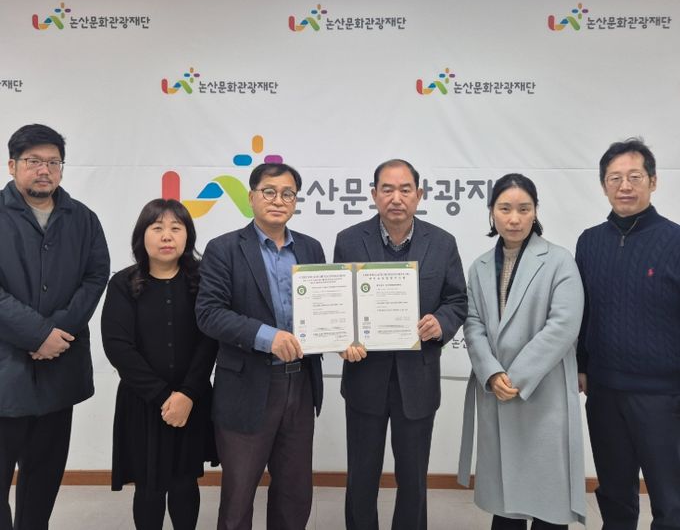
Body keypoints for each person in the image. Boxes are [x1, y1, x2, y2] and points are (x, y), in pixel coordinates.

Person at [333, 159, 467, 530]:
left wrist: (440, 322)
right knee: (362, 476)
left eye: (405, 189)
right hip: (364, 377)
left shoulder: (442, 242)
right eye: (387, 189)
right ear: (373, 194)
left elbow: (457, 300)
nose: (396, 198)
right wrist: (343, 338)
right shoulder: (349, 240)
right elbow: (339, 304)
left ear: (418, 195)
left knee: (413, 479)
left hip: (417, 379)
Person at [195, 162, 325, 530]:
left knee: (295, 493)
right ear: (251, 197)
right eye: (269, 191)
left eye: (288, 194)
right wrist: (268, 337)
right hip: (247, 386)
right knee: (238, 497)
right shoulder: (224, 249)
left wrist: (343, 336)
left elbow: (324, 309)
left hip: (300, 384)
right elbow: (209, 314)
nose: (278, 200)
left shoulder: (311, 248)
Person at [457, 173, 586, 529]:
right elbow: (473, 324)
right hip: (497, 389)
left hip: (543, 391)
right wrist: (491, 372)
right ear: (491, 212)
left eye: (523, 209)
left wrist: (516, 376)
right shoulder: (480, 266)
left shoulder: (559, 260)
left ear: (535, 212)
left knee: (548, 497)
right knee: (506, 502)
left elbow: (563, 325)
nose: (514, 218)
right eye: (505, 208)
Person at [0, 123, 110, 529]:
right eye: (33, 161)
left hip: (58, 371)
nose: (44, 170)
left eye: (53, 162)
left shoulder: (82, 218)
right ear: (12, 165)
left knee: (43, 480)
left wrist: (56, 332)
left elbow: (95, 276)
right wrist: (36, 334)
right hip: (5, 371)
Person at [576, 138, 680, 529]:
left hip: (663, 396)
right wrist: (581, 365)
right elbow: (582, 311)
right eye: (615, 178)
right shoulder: (589, 242)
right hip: (604, 391)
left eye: (635, 177)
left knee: (671, 501)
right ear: (603, 185)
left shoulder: (675, 241)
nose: (625, 186)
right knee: (615, 497)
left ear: (653, 181)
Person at [101, 199, 217, 529]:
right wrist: (164, 397)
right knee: (149, 485)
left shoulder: (203, 281)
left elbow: (210, 340)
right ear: (142, 235)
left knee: (185, 481)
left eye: (176, 228)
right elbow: (118, 347)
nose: (167, 236)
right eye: (157, 228)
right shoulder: (123, 283)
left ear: (187, 236)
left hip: (192, 399)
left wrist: (187, 394)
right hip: (143, 402)